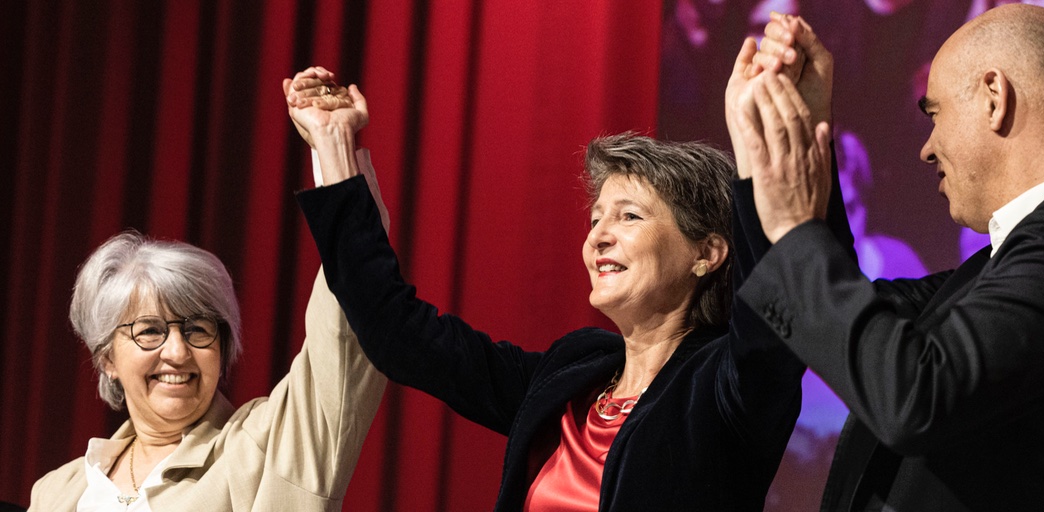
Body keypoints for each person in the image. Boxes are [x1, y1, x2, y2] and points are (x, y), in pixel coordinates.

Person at [281, 67, 807, 510]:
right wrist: (333, 143)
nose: (599, 235)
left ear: (706, 253)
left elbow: (777, 314)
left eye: (629, 216)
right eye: (597, 217)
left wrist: (761, 149)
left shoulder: (726, 383)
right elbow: (398, 331)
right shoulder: (570, 373)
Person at [728, 5, 1044, 510]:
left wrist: (793, 225)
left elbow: (912, 395)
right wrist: (772, 148)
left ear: (994, 98)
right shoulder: (1043, 251)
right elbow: (847, 321)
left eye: (934, 113)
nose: (925, 148)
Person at [28, 232, 387, 510]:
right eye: (150, 331)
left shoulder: (262, 448)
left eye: (197, 329)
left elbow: (343, 344)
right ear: (107, 359)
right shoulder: (56, 491)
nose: (177, 351)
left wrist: (335, 159)